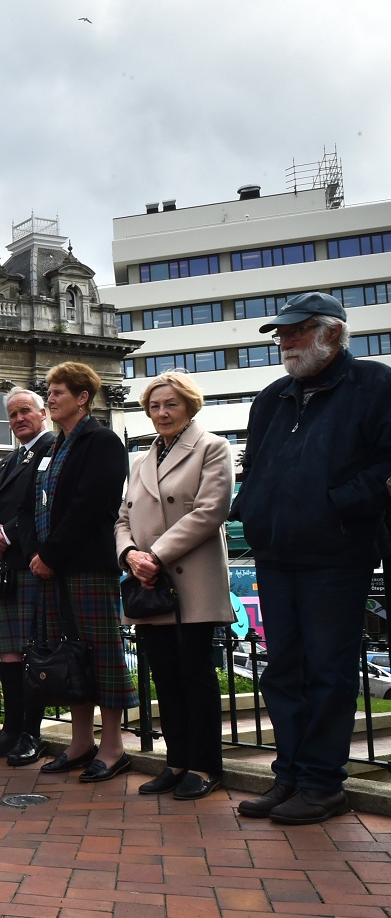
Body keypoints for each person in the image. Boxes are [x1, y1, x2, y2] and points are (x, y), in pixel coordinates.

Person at [229, 292, 391, 824]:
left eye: (296, 331)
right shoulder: (272, 396)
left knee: (329, 671)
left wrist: (334, 504)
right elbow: (254, 465)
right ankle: (291, 776)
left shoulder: (375, 385)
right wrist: (250, 507)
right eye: (282, 333)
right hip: (276, 552)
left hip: (337, 554)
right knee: (282, 671)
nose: (286, 342)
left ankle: (323, 783)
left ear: (333, 334)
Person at [116, 372, 233, 800]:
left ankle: (205, 766)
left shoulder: (213, 447)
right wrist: (130, 555)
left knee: (195, 675)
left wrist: (156, 556)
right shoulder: (142, 460)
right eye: (154, 406)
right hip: (149, 584)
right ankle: (177, 761)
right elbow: (122, 520)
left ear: (189, 406)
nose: (161, 413)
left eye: (171, 405)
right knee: (165, 676)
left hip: (190, 583)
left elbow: (211, 511)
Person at [29, 361, 135, 783]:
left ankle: (112, 748)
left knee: (102, 655)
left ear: (83, 397)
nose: (50, 399)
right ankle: (80, 742)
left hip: (87, 566)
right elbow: (42, 505)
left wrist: (50, 553)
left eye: (58, 393)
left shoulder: (102, 441)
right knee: (72, 655)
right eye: (49, 392)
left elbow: (92, 506)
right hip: (55, 568)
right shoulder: (54, 447)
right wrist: (44, 553)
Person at [0, 389, 56, 765]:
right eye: (12, 414)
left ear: (43, 413)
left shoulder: (52, 449)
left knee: (32, 652)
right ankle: (9, 730)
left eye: (25, 411)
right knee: (7, 652)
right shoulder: (10, 459)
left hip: (28, 563)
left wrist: (7, 533)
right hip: (3, 568)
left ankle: (31, 734)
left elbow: (42, 504)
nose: (18, 419)